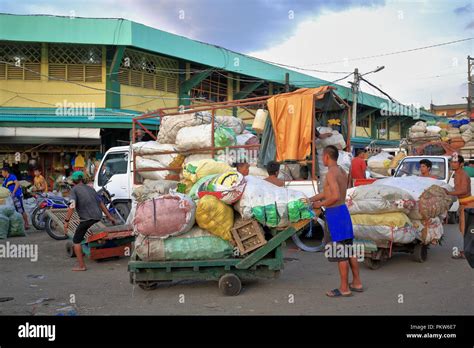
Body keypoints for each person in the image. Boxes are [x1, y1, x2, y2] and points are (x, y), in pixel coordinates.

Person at [308, 145, 363, 297]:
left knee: (340, 253)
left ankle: (344, 288)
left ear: (326, 156)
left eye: (322, 157)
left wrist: (320, 204)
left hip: (335, 216)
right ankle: (357, 282)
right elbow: (328, 192)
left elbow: (334, 196)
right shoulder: (342, 171)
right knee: (349, 249)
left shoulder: (330, 173)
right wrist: (311, 199)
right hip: (343, 213)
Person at [64, 171, 116, 271]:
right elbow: (101, 203)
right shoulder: (90, 188)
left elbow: (72, 206)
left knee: (76, 241)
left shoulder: (74, 190)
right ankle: (85, 250)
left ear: (73, 181)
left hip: (87, 218)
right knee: (84, 231)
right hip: (98, 216)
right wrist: (110, 217)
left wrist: (66, 222)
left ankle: (81, 266)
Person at [445, 155, 473, 259]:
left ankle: (468, 251)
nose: (453, 164)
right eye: (452, 162)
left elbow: (464, 190)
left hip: (467, 204)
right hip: (463, 204)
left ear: (461, 164)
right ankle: (467, 250)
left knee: (466, 229)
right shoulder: (456, 174)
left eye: (455, 162)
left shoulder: (462, 174)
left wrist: (449, 192)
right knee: (463, 229)